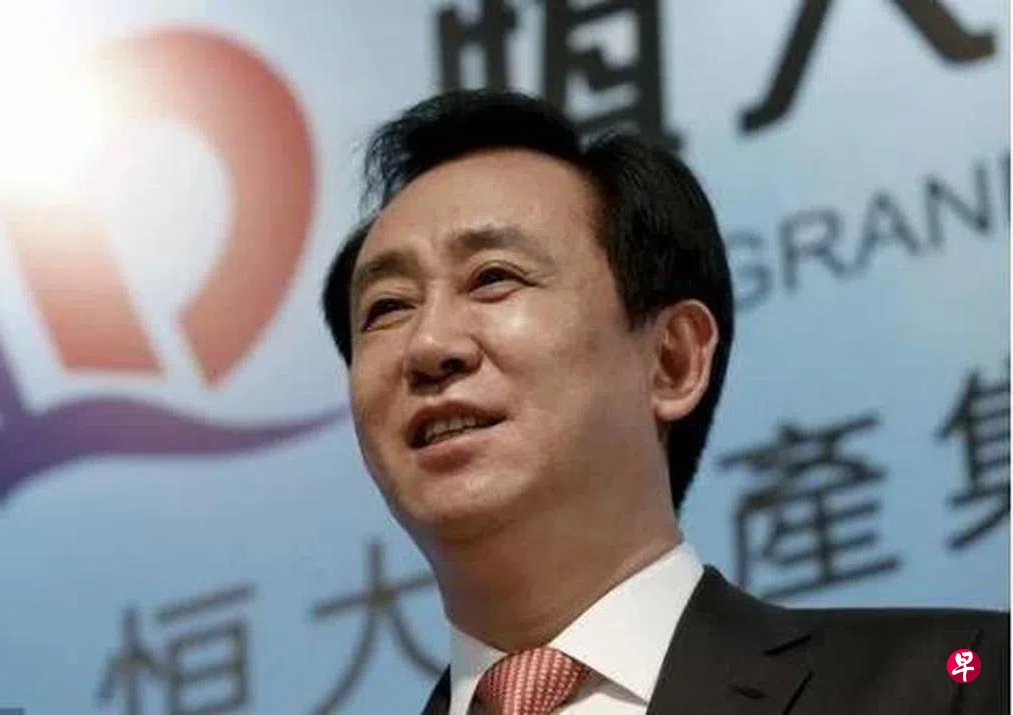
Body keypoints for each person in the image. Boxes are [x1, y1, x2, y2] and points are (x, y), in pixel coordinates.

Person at [319, 89, 1009, 715]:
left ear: (672, 360)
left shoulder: (964, 681)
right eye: (388, 307)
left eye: (493, 277)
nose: (429, 344)